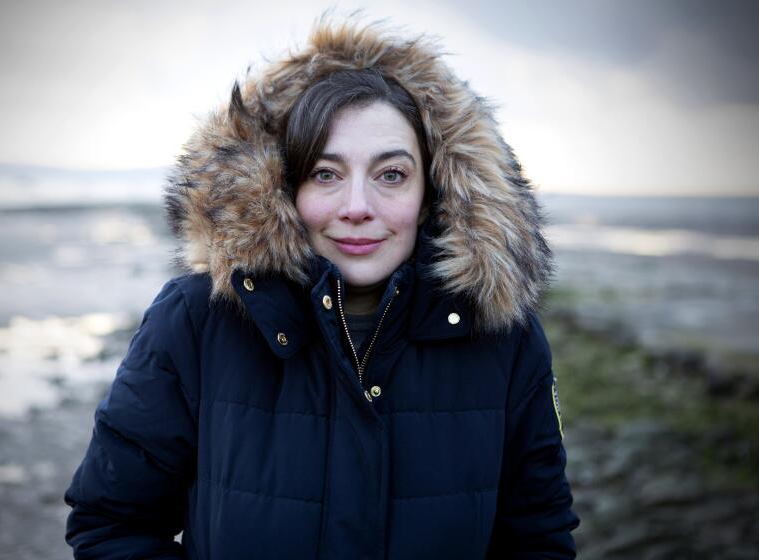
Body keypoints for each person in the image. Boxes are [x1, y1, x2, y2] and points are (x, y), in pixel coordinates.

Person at [64, 17, 579, 559]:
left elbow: (538, 541)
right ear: (282, 188)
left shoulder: (504, 340)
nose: (357, 207)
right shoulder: (197, 320)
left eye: (392, 175)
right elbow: (112, 526)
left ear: (434, 192)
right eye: (326, 174)